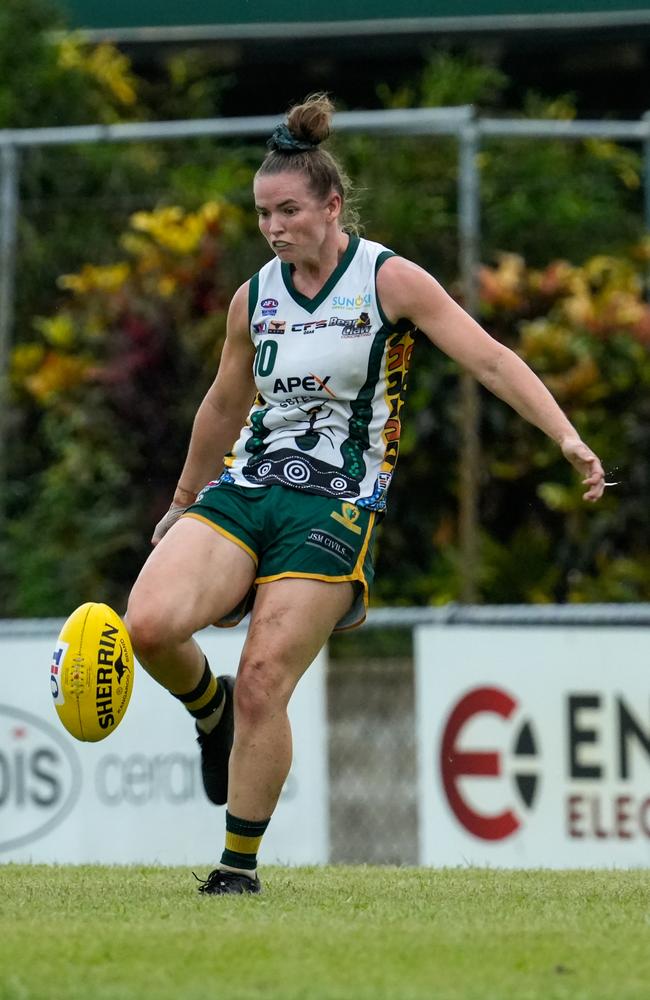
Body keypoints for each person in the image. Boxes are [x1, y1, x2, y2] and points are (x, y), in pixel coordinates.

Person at [125, 93, 605, 895]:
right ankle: (205, 711)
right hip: (246, 486)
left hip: (336, 504)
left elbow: (488, 359)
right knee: (146, 626)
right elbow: (222, 400)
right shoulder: (256, 298)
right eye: (261, 215)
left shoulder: (388, 280)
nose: (274, 229)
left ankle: (235, 868)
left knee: (265, 679)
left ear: (331, 205)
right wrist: (182, 499)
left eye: (288, 211)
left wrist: (566, 435)